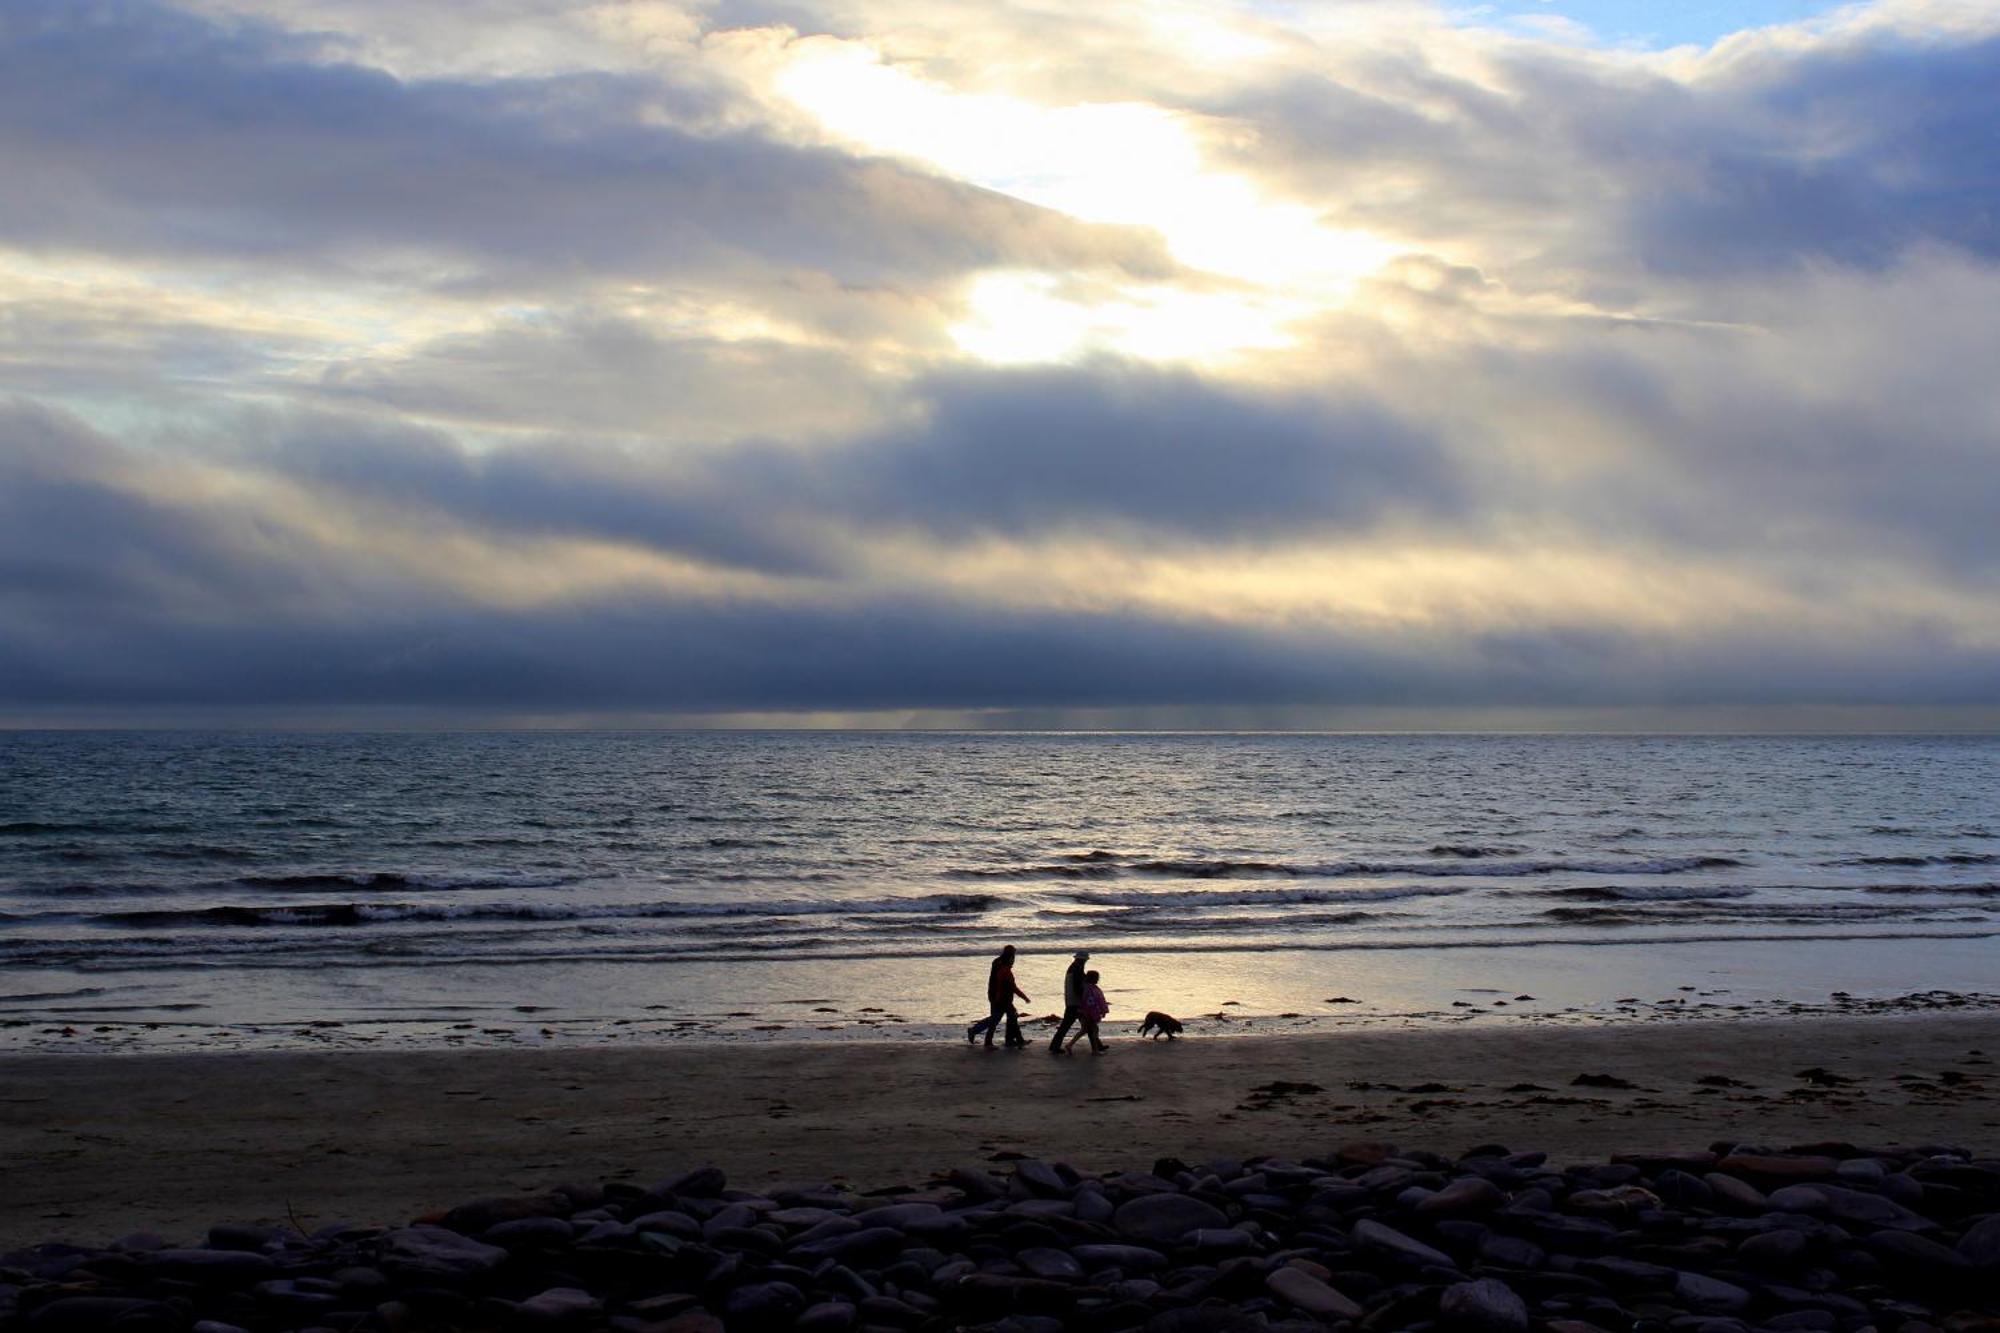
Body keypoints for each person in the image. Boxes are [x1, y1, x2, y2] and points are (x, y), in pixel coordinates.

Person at [966, 945, 1029, 1049]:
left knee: (1005, 1017)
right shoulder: (1003, 965)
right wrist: (999, 997)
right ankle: (979, 1034)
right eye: (1013, 954)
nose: (1014, 957)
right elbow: (1004, 984)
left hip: (999, 995)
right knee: (997, 1018)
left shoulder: (999, 962)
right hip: (999, 997)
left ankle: (1008, 1040)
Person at [1049, 950, 1092, 1054]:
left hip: (1072, 1001)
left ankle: (1097, 1045)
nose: (1085, 962)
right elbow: (1077, 987)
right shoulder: (1077, 970)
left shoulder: (1074, 968)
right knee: (1071, 1025)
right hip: (1075, 1002)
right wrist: (1084, 999)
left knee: (1087, 1024)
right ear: (1082, 960)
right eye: (1084, 960)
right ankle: (1054, 1046)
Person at [1063, 969, 1110, 1054]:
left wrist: (1102, 1010)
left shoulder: (1087, 987)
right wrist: (1101, 1010)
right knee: (1094, 1030)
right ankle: (1095, 1050)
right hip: (1087, 1013)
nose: (1098, 980)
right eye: (1097, 978)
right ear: (1093, 978)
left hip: (1084, 1012)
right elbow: (1090, 1002)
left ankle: (1069, 1045)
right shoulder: (1089, 989)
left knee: (1084, 1030)